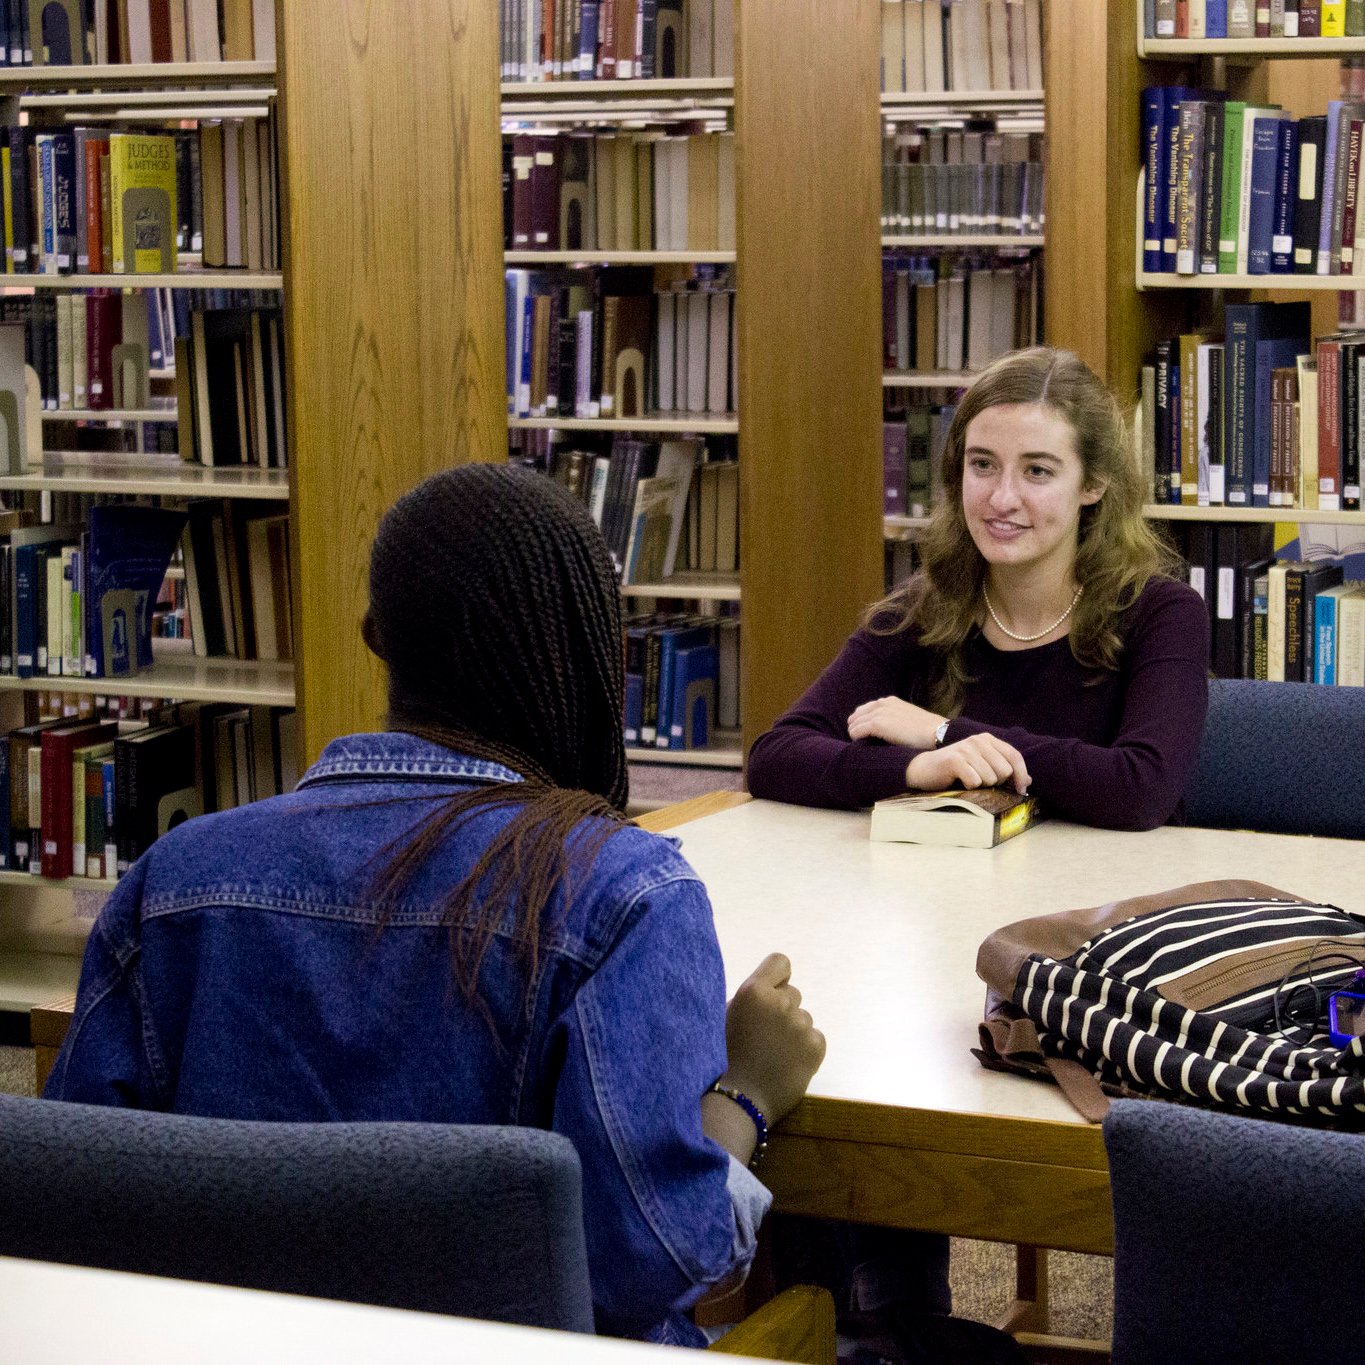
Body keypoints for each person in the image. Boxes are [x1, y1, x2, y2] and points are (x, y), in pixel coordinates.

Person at [43, 463, 826, 1347]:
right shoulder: (626, 896)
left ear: (375, 637)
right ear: (591, 650)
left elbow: (71, 1198)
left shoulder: (174, 878)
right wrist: (746, 1091)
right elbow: (646, 1264)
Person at [748, 346, 1210, 831]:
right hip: (957, 893)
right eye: (983, 465)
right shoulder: (923, 609)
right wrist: (915, 767)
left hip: (1105, 895)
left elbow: (1141, 790)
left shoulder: (1163, 612)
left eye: (1037, 471)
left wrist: (941, 732)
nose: (1002, 498)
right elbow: (774, 756)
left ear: (1093, 484)